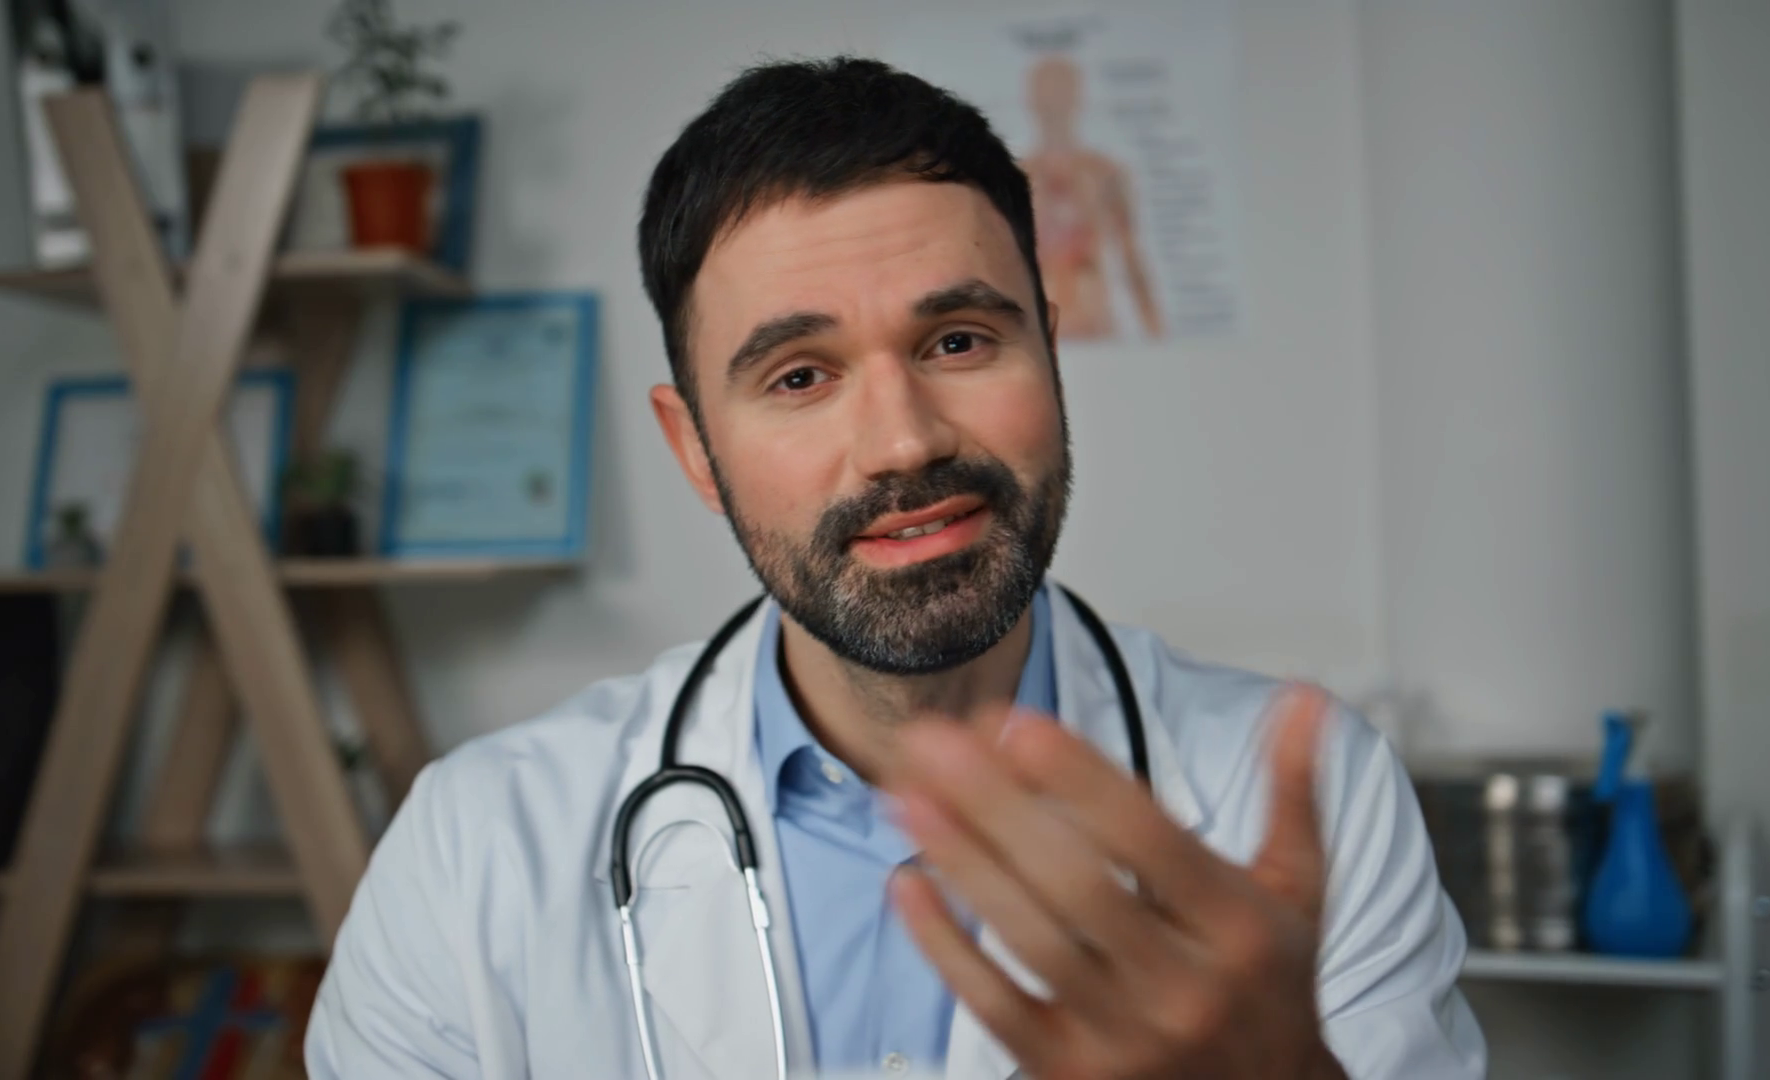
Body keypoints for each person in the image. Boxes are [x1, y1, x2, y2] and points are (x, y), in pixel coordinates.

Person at [306, 57, 1485, 1079]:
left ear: (1050, 352)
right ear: (694, 448)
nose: (906, 441)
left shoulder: (1308, 804)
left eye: (958, 341)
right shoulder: (474, 851)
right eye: (799, 376)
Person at [1020, 54, 1164, 340]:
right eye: (1045, 95)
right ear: (1032, 101)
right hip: (1040, 327)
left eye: (1061, 92)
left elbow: (1131, 257)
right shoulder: (1018, 176)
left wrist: (1157, 332)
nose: (1053, 106)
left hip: (1095, 322)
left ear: (1077, 97)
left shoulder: (1104, 173)